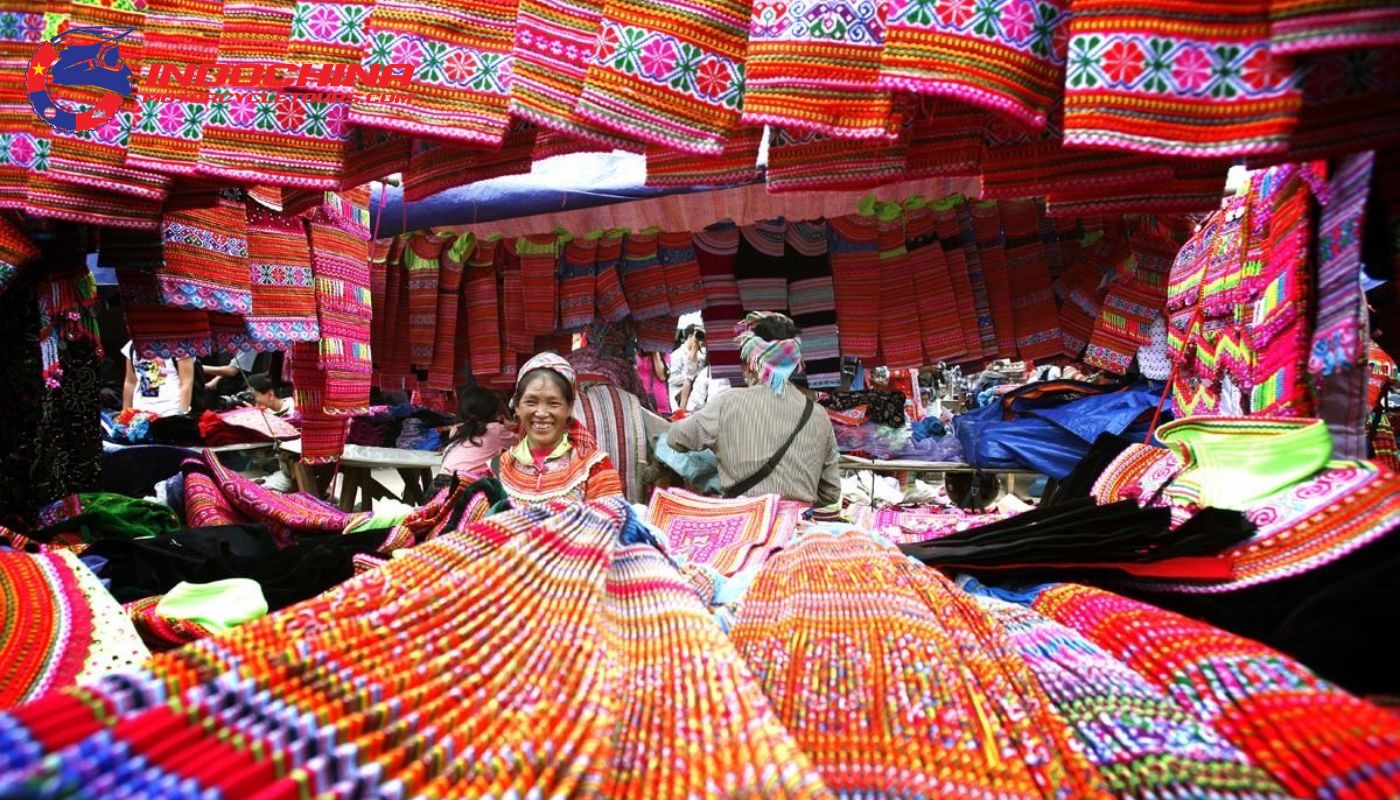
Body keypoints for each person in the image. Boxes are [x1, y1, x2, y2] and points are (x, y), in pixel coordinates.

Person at [668, 311, 840, 507]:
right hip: (796, 528)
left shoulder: (728, 402)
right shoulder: (818, 415)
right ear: (792, 363)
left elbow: (675, 439)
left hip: (743, 525)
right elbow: (830, 492)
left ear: (752, 363)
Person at [495, 352, 624, 506]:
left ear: (569, 407)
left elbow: (613, 523)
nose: (541, 413)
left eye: (553, 403)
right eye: (531, 402)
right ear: (517, 406)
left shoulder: (594, 467)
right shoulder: (499, 468)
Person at [435, 386, 518, 490]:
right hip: (463, 488)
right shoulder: (496, 431)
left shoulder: (457, 429)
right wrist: (516, 425)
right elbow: (526, 443)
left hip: (438, 485)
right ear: (494, 411)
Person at [122, 340, 194, 418]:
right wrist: (125, 417)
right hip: (140, 415)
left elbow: (187, 383)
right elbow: (130, 382)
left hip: (171, 412)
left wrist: (182, 415)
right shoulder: (132, 345)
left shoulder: (180, 344)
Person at [668, 326, 706, 411]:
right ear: (690, 336)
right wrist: (692, 376)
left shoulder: (700, 354)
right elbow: (672, 378)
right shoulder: (677, 355)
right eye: (697, 335)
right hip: (679, 399)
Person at [635, 349, 672, 414]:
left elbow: (662, 376)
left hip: (661, 407)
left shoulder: (664, 352)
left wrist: (655, 351)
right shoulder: (634, 350)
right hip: (640, 404)